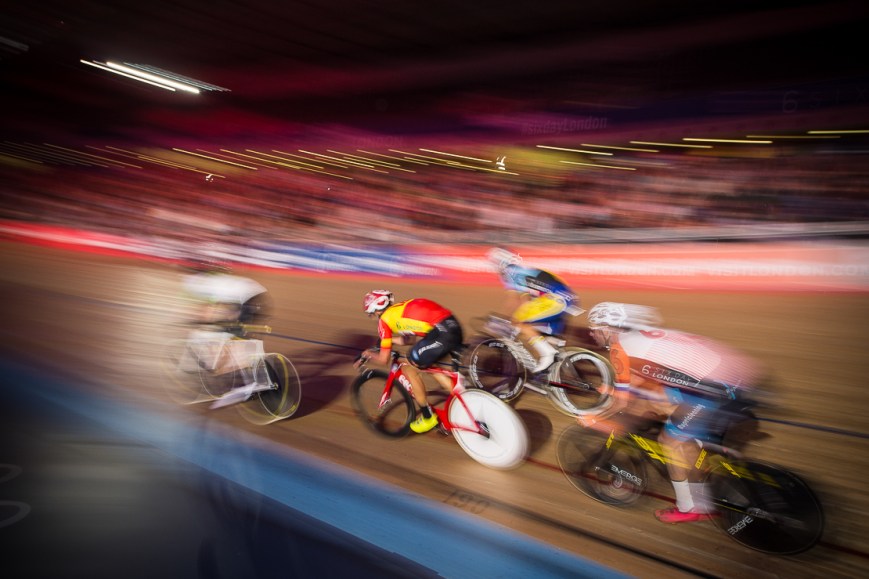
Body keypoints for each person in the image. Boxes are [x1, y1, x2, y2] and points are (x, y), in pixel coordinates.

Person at [579, 301, 762, 524]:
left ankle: (690, 507)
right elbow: (641, 386)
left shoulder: (620, 350)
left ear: (610, 329)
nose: (592, 333)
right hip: (739, 377)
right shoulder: (643, 336)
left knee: (669, 441)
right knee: (661, 405)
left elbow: (622, 404)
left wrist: (595, 418)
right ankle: (708, 445)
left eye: (595, 327)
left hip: (717, 390)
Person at [355, 290, 464, 434]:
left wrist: (368, 353)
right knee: (426, 362)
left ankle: (427, 417)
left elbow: (383, 360)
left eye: (371, 314)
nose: (373, 317)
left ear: (375, 310)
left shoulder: (384, 321)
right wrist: (387, 341)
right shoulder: (397, 310)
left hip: (441, 334)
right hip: (452, 325)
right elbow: (409, 339)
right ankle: (462, 395)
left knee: (409, 368)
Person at [486, 248, 582, 373]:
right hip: (566, 299)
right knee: (542, 335)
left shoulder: (509, 272)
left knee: (520, 323)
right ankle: (559, 371)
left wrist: (502, 319)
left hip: (556, 300)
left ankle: (548, 354)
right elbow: (526, 302)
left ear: (500, 263)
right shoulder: (521, 271)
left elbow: (513, 302)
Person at [181, 259, 271, 329]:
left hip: (252, 300)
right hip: (254, 297)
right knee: (229, 325)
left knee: (230, 328)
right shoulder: (214, 281)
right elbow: (227, 306)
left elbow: (209, 308)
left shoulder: (209, 285)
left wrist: (201, 321)